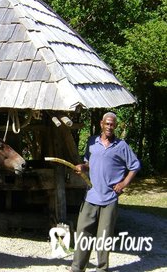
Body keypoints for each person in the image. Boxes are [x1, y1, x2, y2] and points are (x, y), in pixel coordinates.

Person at [69, 112, 141, 272]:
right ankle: (77, 268)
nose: (109, 127)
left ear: (115, 126)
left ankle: (102, 269)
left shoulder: (121, 146)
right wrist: (82, 167)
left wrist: (123, 183)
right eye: (107, 123)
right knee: (82, 233)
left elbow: (135, 165)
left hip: (109, 199)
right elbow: (89, 162)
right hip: (91, 196)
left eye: (112, 124)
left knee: (104, 238)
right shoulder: (92, 141)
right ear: (102, 123)